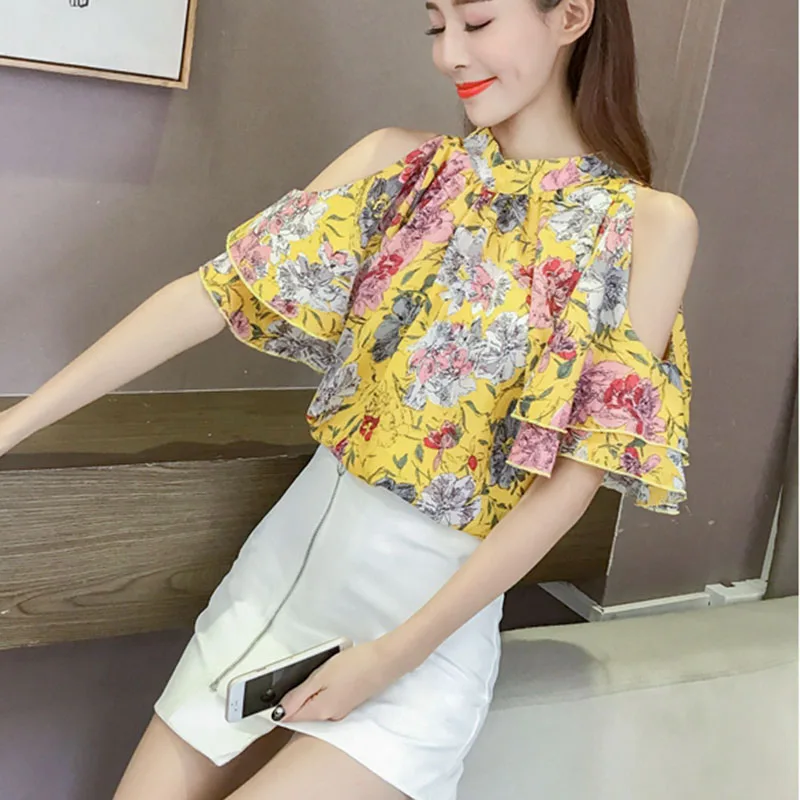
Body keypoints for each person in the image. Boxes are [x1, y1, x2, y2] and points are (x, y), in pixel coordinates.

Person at [0, 0, 698, 798]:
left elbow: (569, 486)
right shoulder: (398, 165)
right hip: (277, 590)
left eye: (476, 23)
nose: (448, 54)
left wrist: (391, 657)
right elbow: (213, 293)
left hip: (422, 640)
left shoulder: (648, 228)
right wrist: (15, 423)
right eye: (436, 25)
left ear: (571, 16)